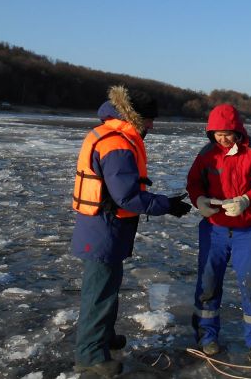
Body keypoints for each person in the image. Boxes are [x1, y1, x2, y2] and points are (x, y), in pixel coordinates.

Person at [71, 86, 192, 377]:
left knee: (107, 289)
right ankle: (89, 356)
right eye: (149, 119)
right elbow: (126, 196)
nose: (152, 125)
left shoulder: (111, 133)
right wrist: (167, 205)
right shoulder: (117, 144)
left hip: (104, 226)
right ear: (135, 116)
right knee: (99, 294)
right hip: (104, 228)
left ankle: (103, 338)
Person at [186, 104, 251, 361]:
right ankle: (207, 337)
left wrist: (248, 200)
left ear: (237, 130)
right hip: (214, 229)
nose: (222, 138)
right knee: (208, 284)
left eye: (227, 133)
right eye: (217, 134)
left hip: (248, 230)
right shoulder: (207, 154)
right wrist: (199, 199)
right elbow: (193, 182)